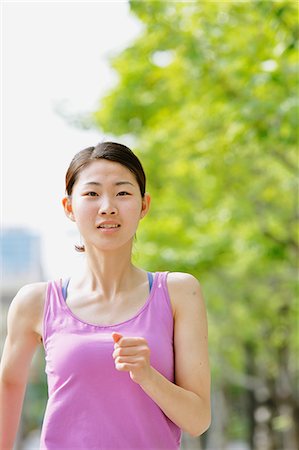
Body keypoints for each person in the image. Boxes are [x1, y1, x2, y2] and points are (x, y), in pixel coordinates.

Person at [0, 141, 211, 450]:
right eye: (92, 193)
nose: (108, 206)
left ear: (144, 205)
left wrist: (147, 376)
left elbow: (198, 420)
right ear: (69, 207)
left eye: (123, 192)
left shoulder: (180, 292)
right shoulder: (36, 302)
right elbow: (9, 383)